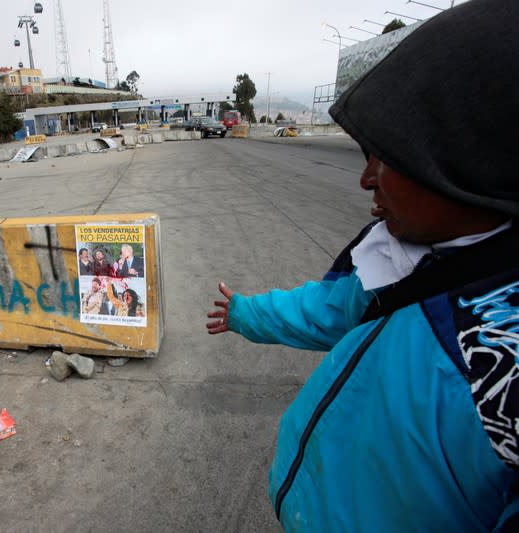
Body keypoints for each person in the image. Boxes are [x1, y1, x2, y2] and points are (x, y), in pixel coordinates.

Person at [206, 2, 519, 531]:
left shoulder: (499, 361)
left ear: (467, 161)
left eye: (388, 157)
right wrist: (245, 313)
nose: (366, 179)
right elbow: (327, 312)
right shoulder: (394, 259)